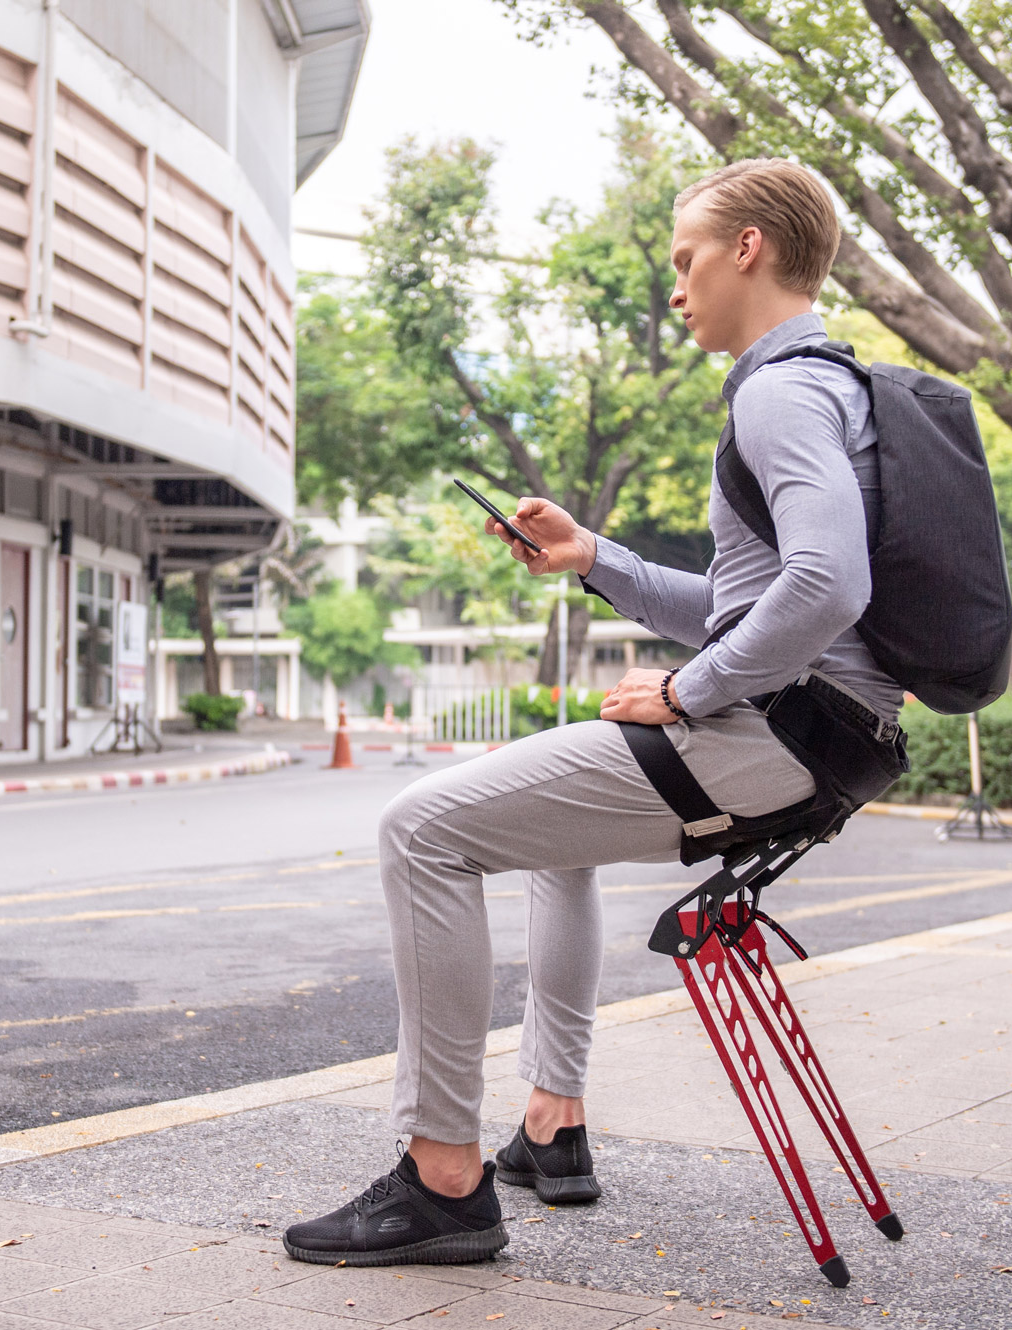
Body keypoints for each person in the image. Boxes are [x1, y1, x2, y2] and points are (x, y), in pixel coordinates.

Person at [283, 159, 900, 1268]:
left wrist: (687, 692)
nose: (678, 286)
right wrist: (594, 557)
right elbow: (743, 603)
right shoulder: (830, 384)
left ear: (749, 247)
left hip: (770, 733)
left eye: (686, 259)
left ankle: (440, 1177)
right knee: (538, 835)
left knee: (420, 831)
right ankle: (551, 1126)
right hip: (816, 739)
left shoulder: (778, 390)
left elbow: (829, 586)